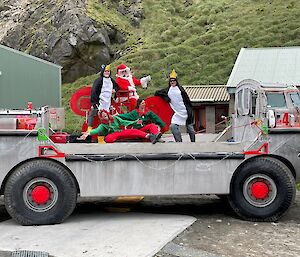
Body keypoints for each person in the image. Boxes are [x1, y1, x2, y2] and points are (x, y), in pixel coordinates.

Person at [155, 69, 196, 142]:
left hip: (185, 111)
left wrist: (190, 110)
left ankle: (193, 143)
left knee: (190, 129)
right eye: (171, 81)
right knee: (173, 126)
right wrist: (166, 98)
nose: (172, 82)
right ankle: (179, 142)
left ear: (176, 81)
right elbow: (157, 93)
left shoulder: (181, 89)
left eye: (174, 81)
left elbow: (187, 100)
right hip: (176, 113)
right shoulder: (168, 90)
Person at [79, 109, 162, 144]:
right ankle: (151, 137)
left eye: (105, 116)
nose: (105, 118)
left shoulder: (114, 118)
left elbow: (124, 122)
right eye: (103, 117)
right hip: (115, 134)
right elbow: (96, 130)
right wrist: (88, 133)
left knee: (133, 131)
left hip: (122, 131)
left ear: (108, 115)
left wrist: (134, 122)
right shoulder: (103, 125)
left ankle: (154, 136)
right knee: (109, 138)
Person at [87, 64, 119, 131]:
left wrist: (115, 90)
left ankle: (106, 130)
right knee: (93, 112)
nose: (107, 73)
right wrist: (94, 103)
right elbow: (94, 91)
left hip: (107, 102)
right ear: (102, 72)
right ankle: (89, 128)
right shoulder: (98, 80)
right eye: (105, 71)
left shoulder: (111, 80)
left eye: (108, 71)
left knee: (106, 116)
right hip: (99, 101)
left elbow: (117, 86)